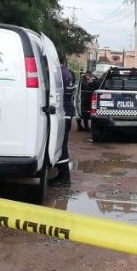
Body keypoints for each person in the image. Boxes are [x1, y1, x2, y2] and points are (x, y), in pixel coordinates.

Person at [53, 56, 75, 186]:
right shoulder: (68, 73)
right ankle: (63, 176)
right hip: (67, 112)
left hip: (63, 112)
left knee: (61, 146)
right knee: (63, 144)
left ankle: (64, 177)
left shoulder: (59, 73)